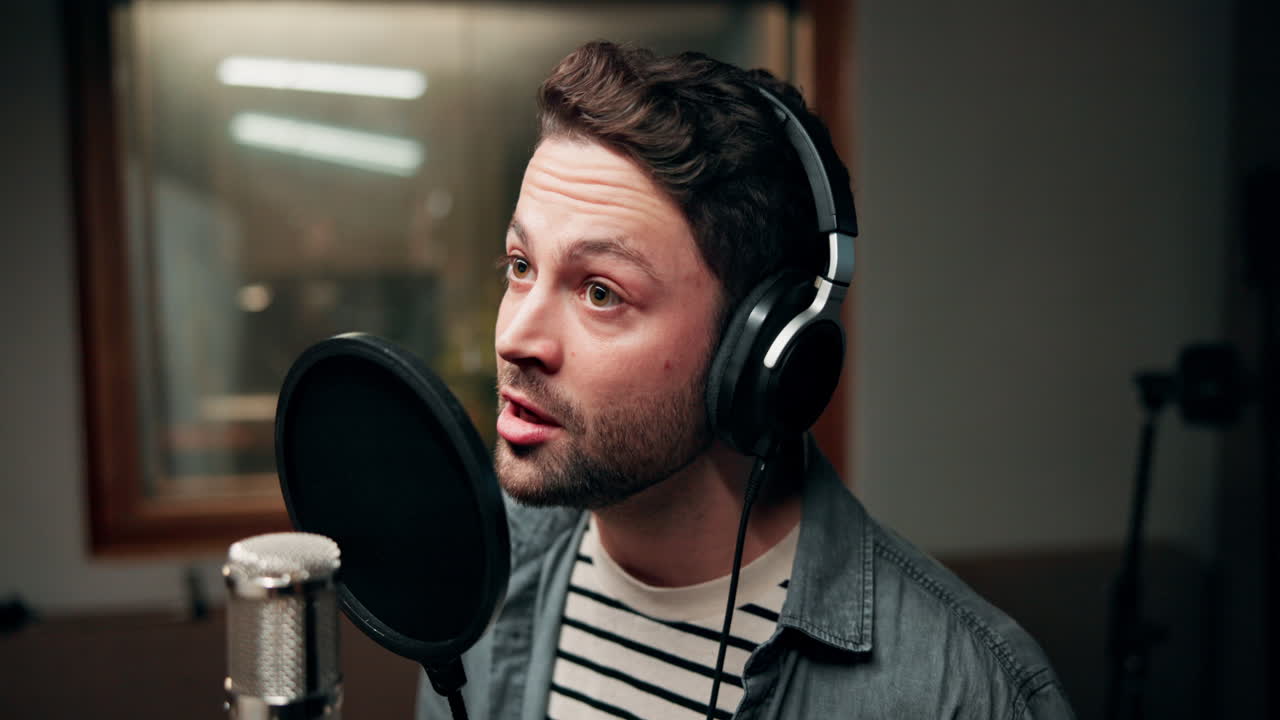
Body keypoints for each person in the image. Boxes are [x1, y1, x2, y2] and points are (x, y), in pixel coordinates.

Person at [417, 41, 1075, 720]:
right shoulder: (475, 583)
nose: (515, 338)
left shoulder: (962, 694)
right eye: (520, 265)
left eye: (601, 292)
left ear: (760, 350)